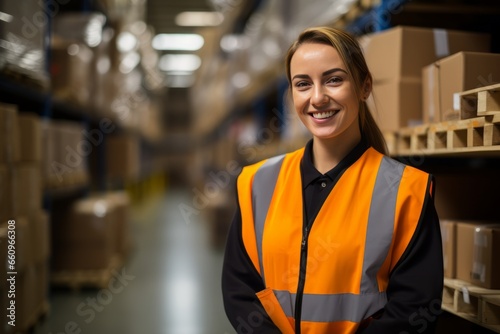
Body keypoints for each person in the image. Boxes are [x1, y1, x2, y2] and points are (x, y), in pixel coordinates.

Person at [221, 26, 443, 334]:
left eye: (334, 80)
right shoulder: (258, 183)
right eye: (303, 84)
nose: (318, 97)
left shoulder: (406, 191)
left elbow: (414, 307)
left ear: (364, 86)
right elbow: (239, 289)